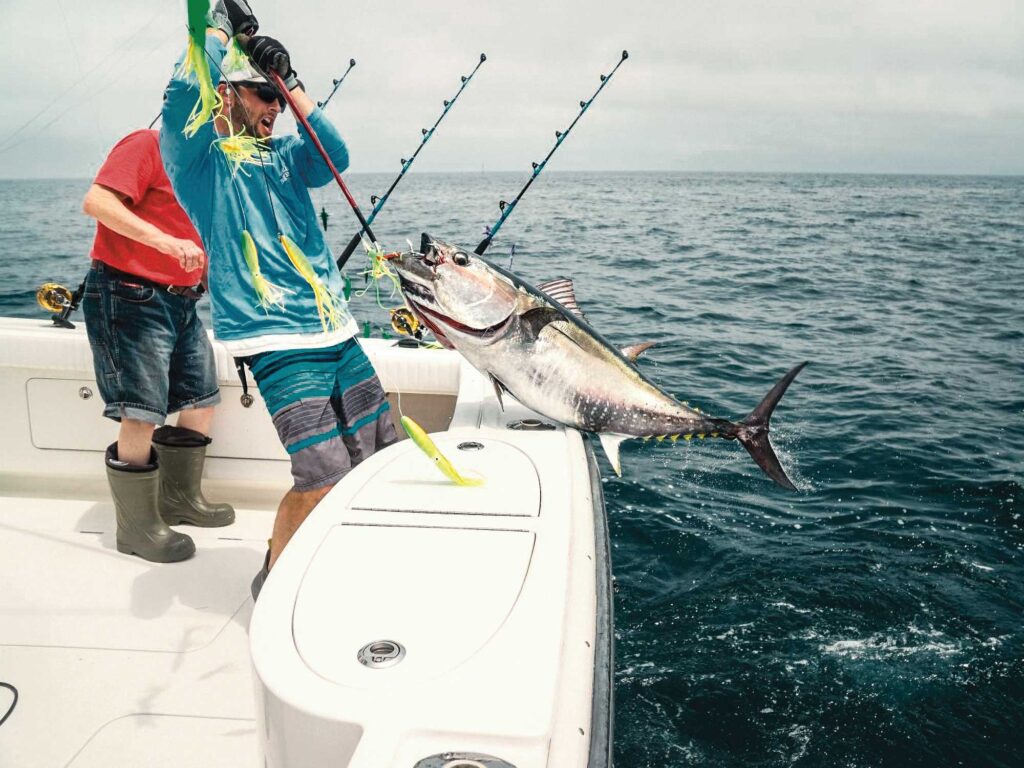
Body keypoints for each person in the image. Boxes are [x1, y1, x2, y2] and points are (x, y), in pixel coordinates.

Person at [159, 1, 396, 597]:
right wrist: (219, 29)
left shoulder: (288, 158)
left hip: (337, 333)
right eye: (261, 94)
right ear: (228, 95)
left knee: (377, 452)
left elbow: (335, 155)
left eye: (276, 98)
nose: (273, 107)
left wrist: (291, 83)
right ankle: (276, 574)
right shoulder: (200, 164)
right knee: (321, 474)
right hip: (278, 345)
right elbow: (184, 94)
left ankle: (335, 551)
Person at [82, 129, 235, 564]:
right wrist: (167, 244)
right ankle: (136, 529)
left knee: (200, 398)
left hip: (182, 300)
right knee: (142, 412)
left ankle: (179, 501)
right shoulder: (146, 144)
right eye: (259, 96)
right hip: (130, 294)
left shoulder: (206, 168)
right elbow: (98, 202)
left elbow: (196, 236)